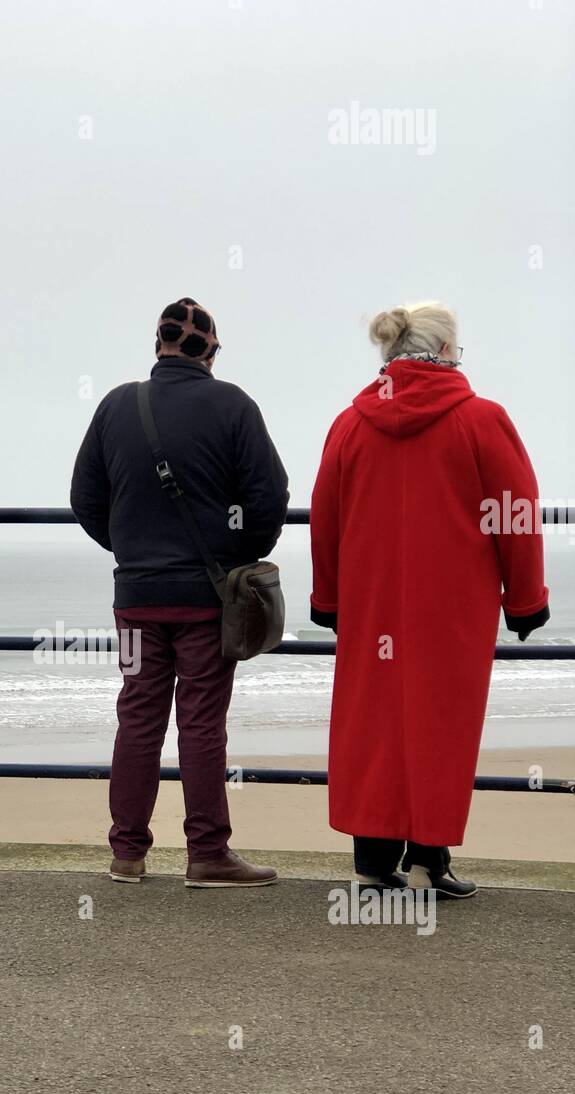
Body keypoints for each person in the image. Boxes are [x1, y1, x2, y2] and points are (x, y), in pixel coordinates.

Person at [310, 302, 550, 898]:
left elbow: (325, 520)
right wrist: (525, 600)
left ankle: (371, 865)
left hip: (371, 608)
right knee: (439, 728)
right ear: (446, 350)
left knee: (374, 727)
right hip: (453, 611)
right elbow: (515, 513)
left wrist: (328, 600)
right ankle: (426, 865)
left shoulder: (349, 424)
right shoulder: (481, 419)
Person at [71, 297, 289, 886]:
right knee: (201, 722)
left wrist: (130, 549)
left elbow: (85, 499)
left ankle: (127, 853)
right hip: (205, 599)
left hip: (136, 598)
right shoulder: (233, 405)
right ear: (210, 351)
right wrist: (234, 559)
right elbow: (269, 498)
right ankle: (207, 854)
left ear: (158, 345)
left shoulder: (117, 404)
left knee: (138, 716)